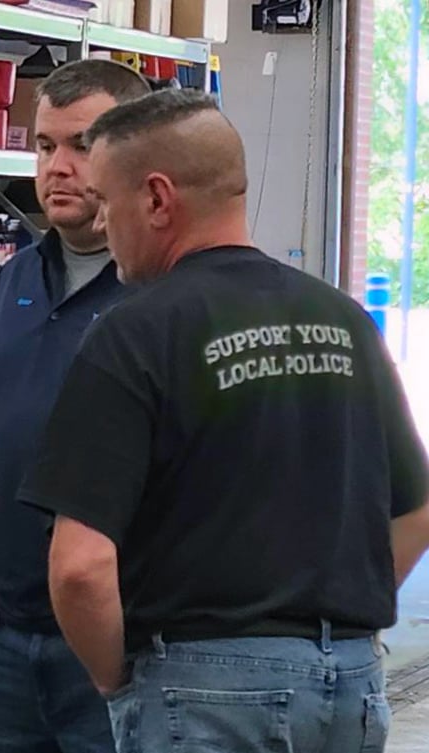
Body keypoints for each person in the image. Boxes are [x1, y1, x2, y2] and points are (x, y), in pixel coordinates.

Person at [21, 88, 429, 753]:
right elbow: (416, 511)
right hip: (349, 688)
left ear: (156, 200)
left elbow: (79, 566)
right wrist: (334, 631)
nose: (104, 226)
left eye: (107, 203)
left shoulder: (135, 332)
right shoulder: (344, 320)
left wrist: (116, 679)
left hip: (203, 690)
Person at [0, 60, 151, 753]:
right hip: (4, 633)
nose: (57, 167)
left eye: (82, 145)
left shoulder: (162, 290)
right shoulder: (16, 277)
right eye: (44, 145)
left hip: (122, 641)